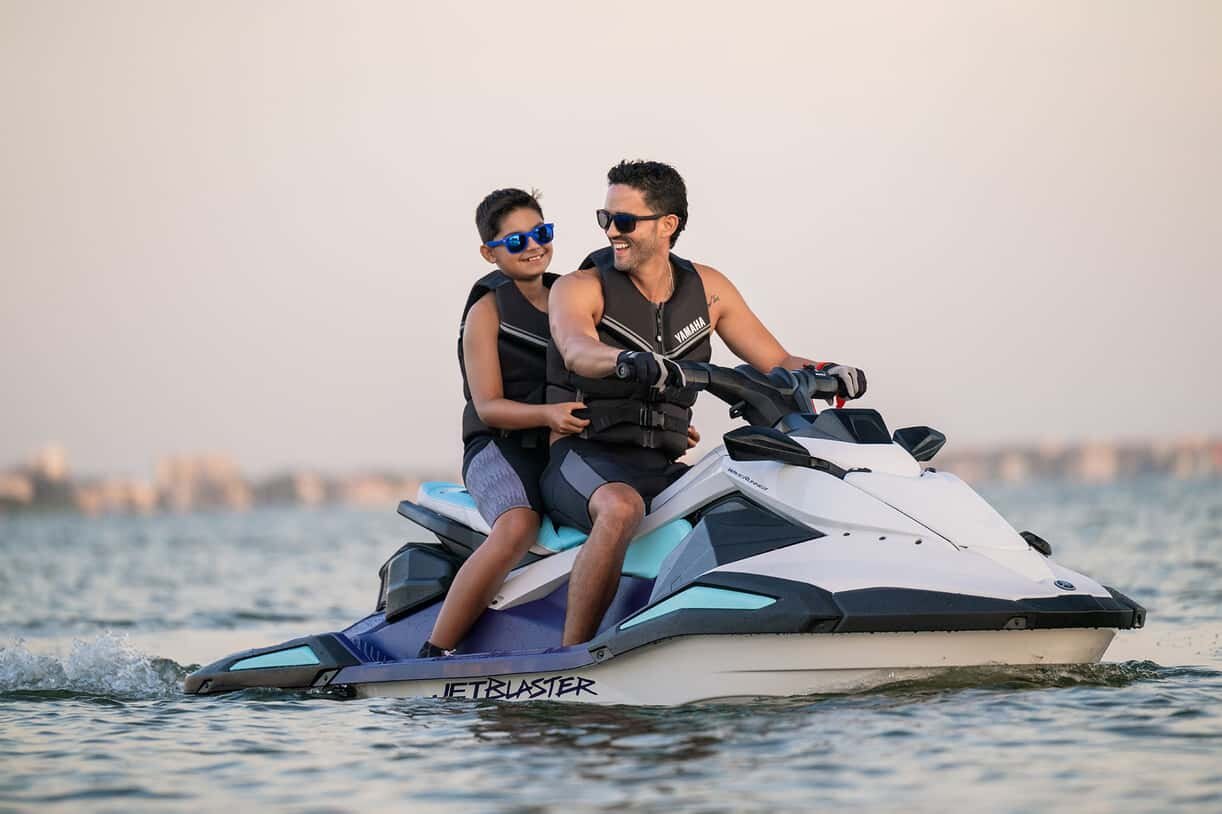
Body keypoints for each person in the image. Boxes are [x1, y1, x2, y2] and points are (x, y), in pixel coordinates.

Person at [542, 160, 867, 646]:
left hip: (662, 464)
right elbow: (576, 349)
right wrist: (628, 360)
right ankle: (575, 653)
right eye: (604, 218)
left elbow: (776, 361)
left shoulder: (709, 289)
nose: (611, 232)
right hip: (584, 458)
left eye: (624, 220)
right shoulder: (580, 286)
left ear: (667, 225)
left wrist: (828, 370)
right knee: (621, 508)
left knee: (756, 497)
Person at [418, 188, 589, 658]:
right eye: (515, 241)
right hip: (499, 445)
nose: (533, 246)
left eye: (541, 232)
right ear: (488, 252)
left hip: (562, 445)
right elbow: (489, 405)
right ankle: (435, 650)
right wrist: (548, 415)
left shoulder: (574, 295)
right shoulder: (487, 311)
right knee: (518, 526)